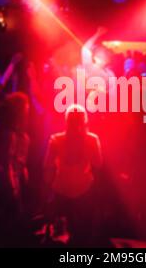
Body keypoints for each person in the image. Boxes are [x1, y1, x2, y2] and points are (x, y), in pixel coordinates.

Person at [44, 104, 102, 245]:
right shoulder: (92, 139)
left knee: (59, 235)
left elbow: (47, 166)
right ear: (85, 120)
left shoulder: (56, 139)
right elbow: (98, 164)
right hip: (84, 190)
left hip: (61, 190)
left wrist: (48, 188)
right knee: (82, 234)